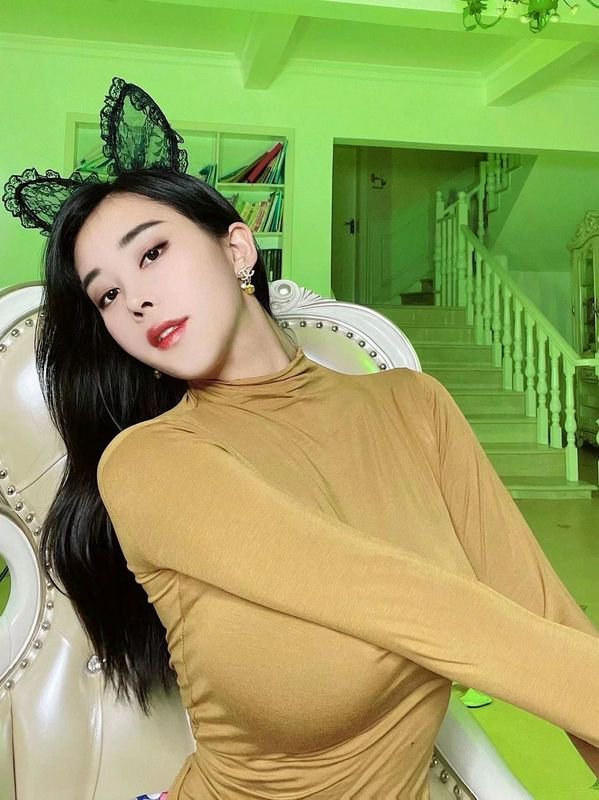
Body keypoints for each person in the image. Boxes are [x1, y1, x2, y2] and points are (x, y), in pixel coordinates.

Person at [37, 166, 599, 800]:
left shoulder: (415, 407)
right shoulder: (148, 463)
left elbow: (546, 615)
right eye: (107, 295)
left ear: (237, 249)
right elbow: (418, 605)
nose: (136, 300)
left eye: (152, 253)